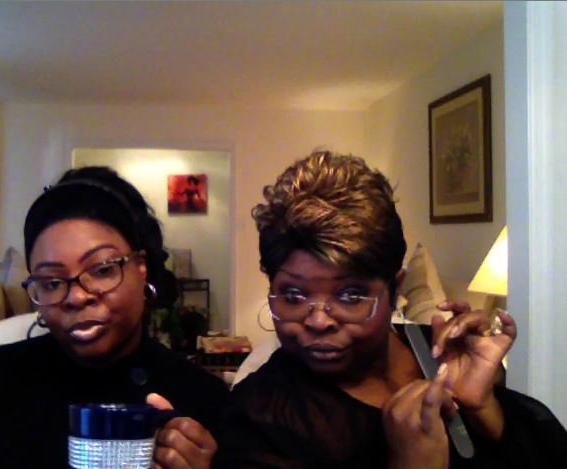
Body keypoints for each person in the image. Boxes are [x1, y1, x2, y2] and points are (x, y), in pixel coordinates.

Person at [214, 151, 567, 468]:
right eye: (292, 294)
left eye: (351, 295)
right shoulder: (258, 416)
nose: (318, 321)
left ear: (395, 289)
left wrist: (484, 409)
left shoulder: (447, 355)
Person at [0, 166, 228, 468]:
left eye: (102, 270)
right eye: (51, 282)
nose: (76, 297)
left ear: (142, 268)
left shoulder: (202, 401)